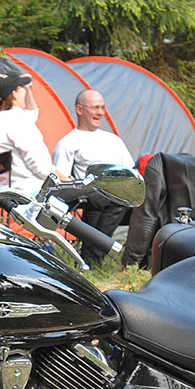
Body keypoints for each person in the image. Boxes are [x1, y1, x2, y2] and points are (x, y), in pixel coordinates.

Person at [53, 89, 134, 265]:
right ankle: (94, 257)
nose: (100, 112)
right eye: (95, 107)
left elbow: (130, 168)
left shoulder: (113, 140)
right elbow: (62, 179)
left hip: (119, 190)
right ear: (80, 109)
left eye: (103, 108)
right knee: (110, 200)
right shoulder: (68, 142)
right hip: (90, 192)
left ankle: (143, 258)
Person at [0, 70, 68, 195]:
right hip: (32, 194)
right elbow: (41, 167)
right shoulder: (17, 123)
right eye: (21, 88)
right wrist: (67, 181)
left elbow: (32, 112)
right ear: (15, 94)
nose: (24, 91)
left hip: (8, 193)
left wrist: (27, 89)